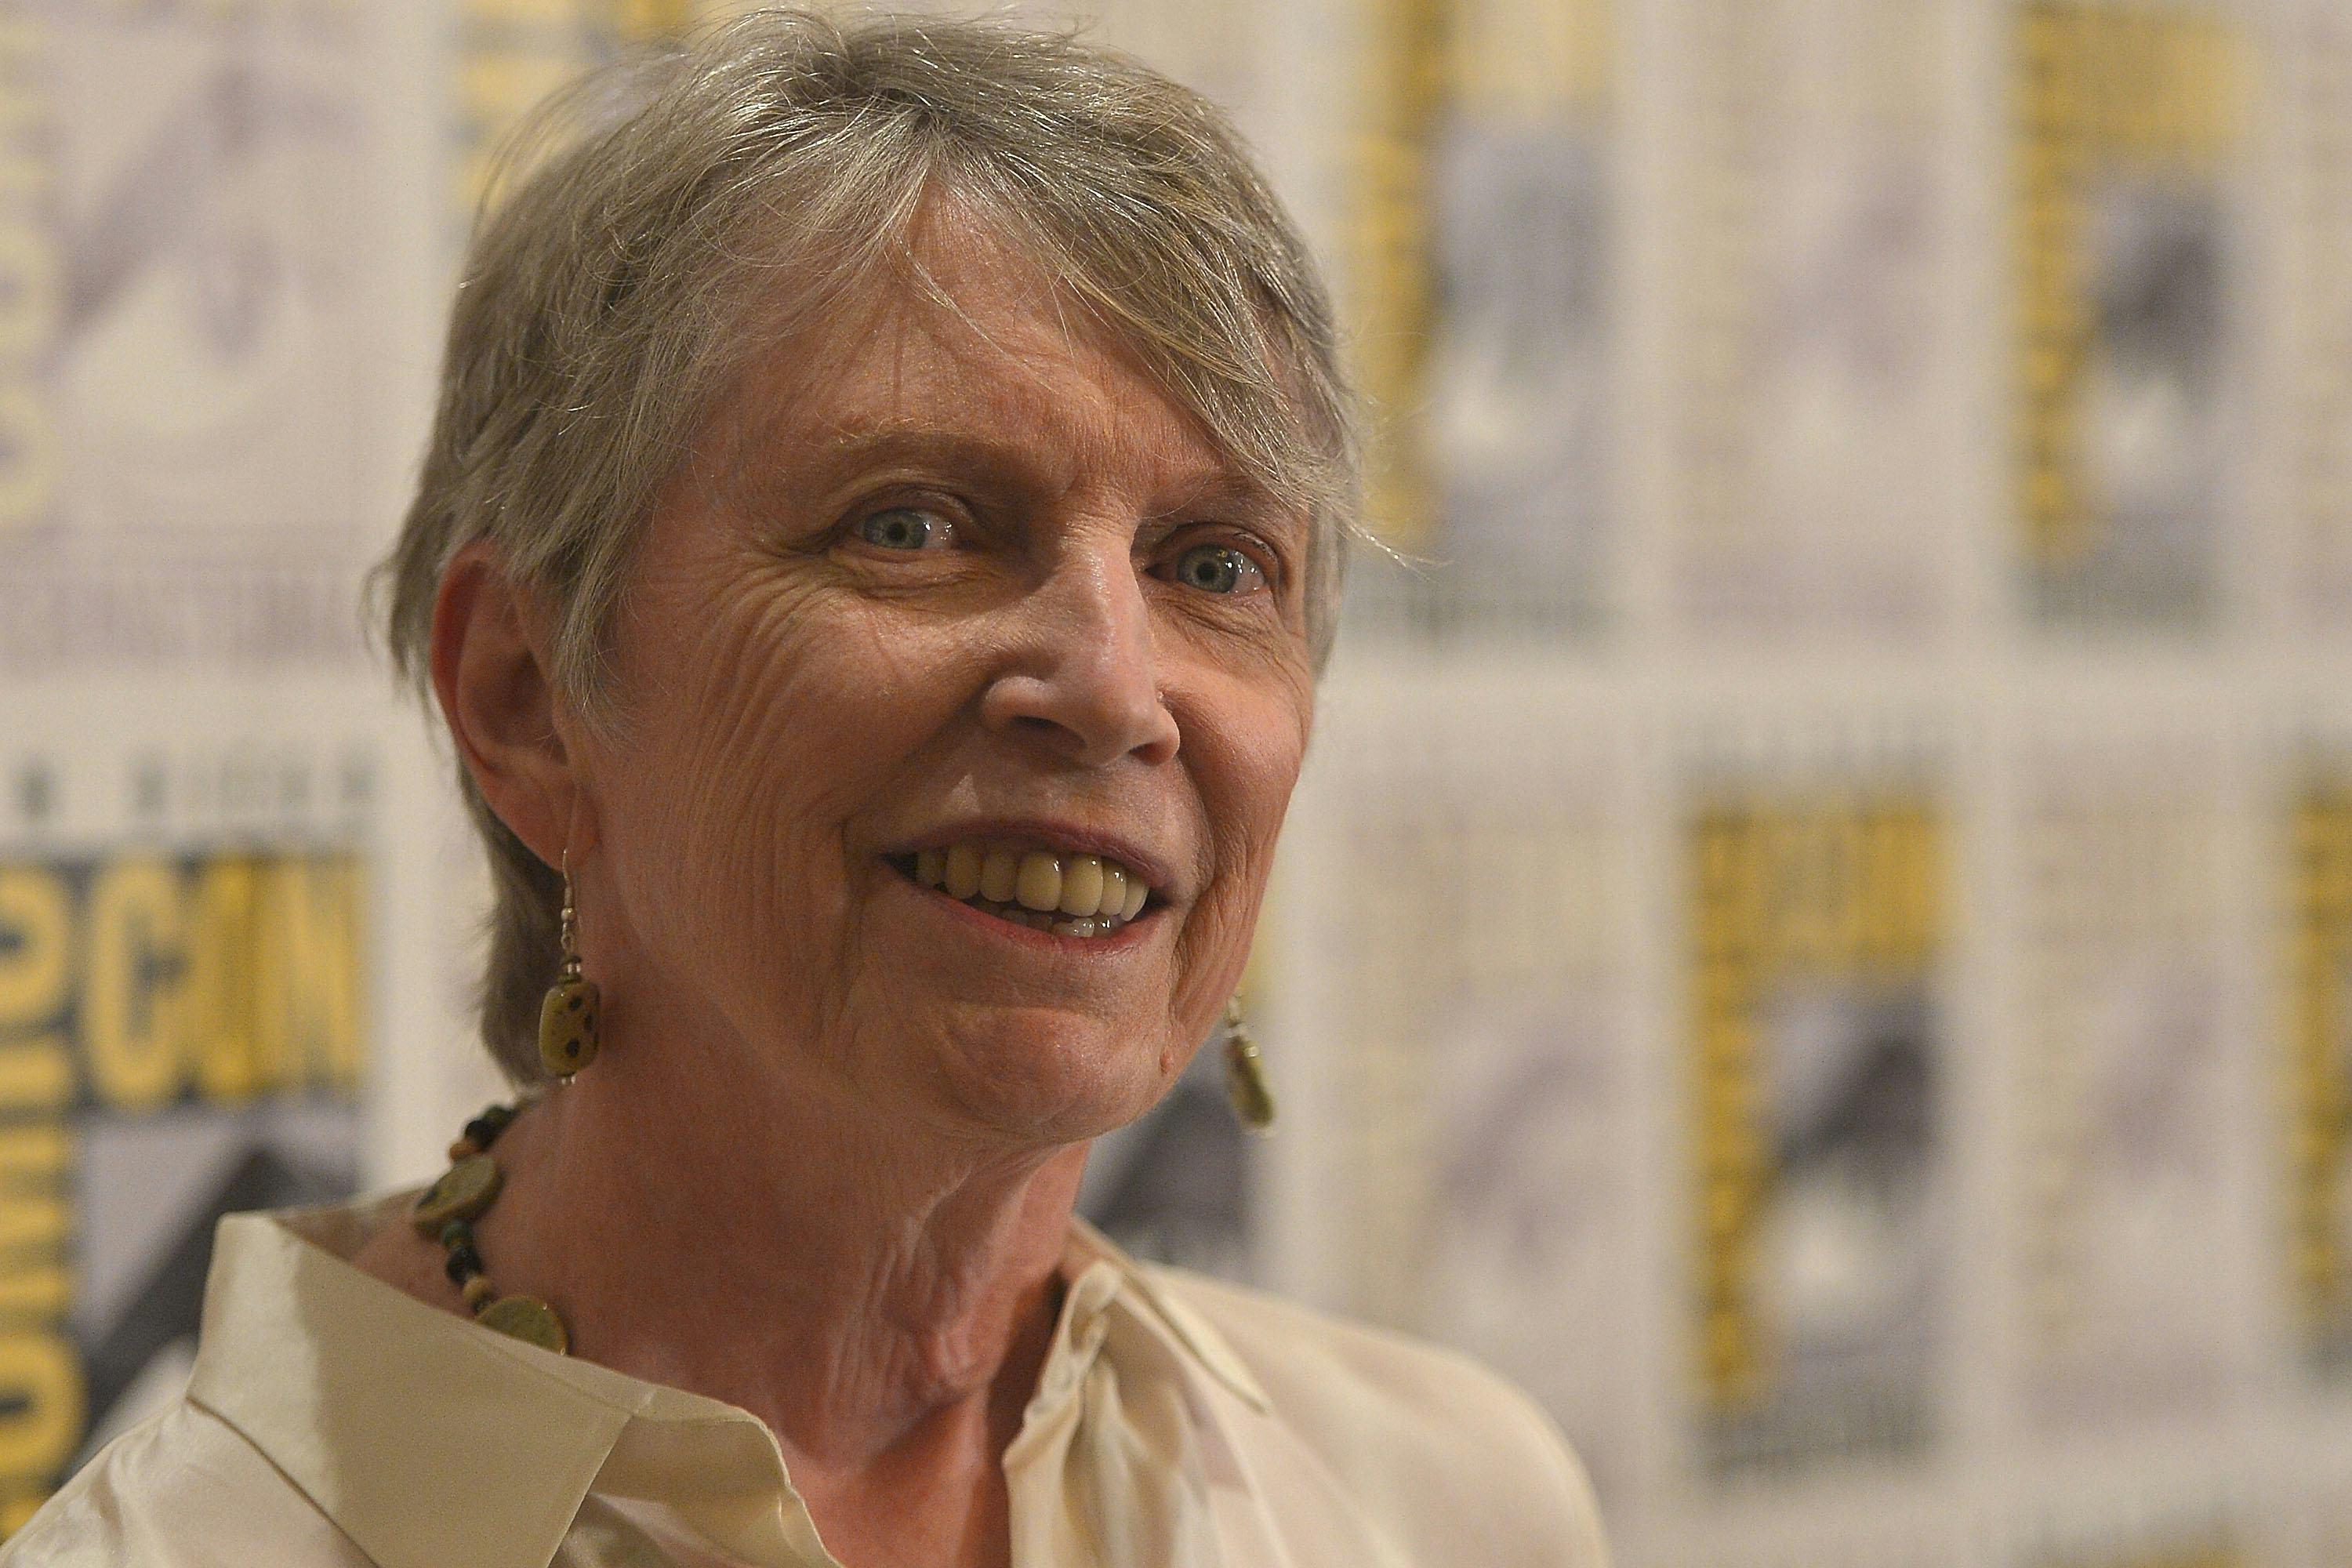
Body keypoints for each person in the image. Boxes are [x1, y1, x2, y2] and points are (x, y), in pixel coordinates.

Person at [5, 11, 1607, 1566]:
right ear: (528, 699)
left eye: (1213, 564)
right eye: (911, 527)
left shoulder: (1445, 1508)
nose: (1117, 690)